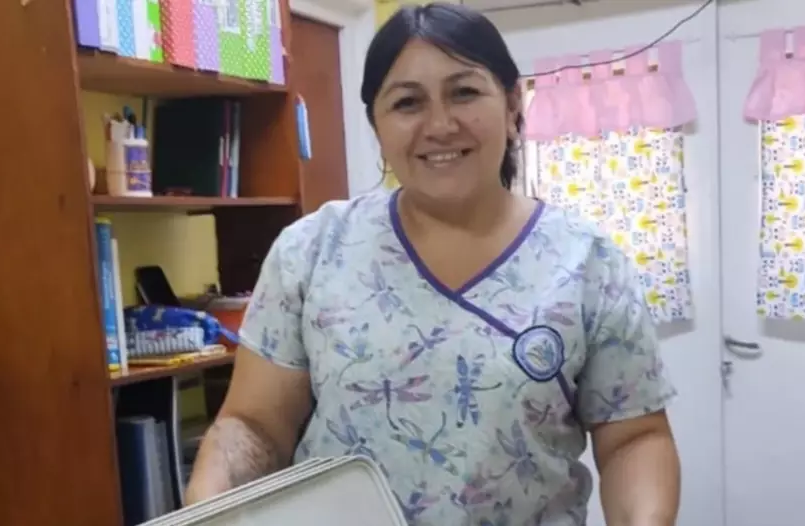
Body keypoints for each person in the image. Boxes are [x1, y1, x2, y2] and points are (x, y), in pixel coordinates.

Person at [184, 2, 681, 525]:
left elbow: (633, 438)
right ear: (377, 126)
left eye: (464, 92)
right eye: (407, 103)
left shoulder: (588, 264)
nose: (440, 125)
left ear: (513, 105)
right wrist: (210, 506)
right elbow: (256, 427)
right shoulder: (311, 252)